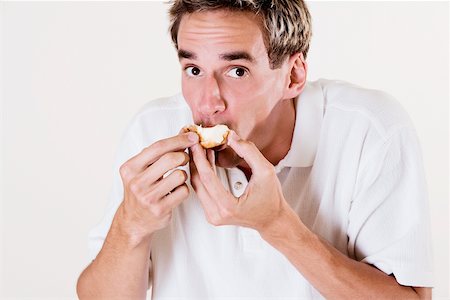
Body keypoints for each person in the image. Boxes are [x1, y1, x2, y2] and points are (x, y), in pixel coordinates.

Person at [76, 0, 433, 299]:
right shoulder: (152, 131)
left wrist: (277, 225)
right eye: (193, 69)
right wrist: (131, 226)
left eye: (237, 71)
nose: (207, 102)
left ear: (292, 76)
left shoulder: (369, 130)